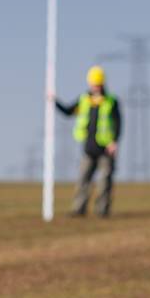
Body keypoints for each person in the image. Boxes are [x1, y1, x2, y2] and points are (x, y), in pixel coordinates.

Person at [55, 66, 122, 218]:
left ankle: (102, 211)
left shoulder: (111, 101)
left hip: (105, 148)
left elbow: (118, 123)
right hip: (88, 149)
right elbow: (68, 111)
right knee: (83, 180)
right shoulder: (84, 100)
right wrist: (54, 101)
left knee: (105, 181)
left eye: (97, 84)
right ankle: (79, 209)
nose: (95, 86)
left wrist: (114, 142)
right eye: (93, 83)